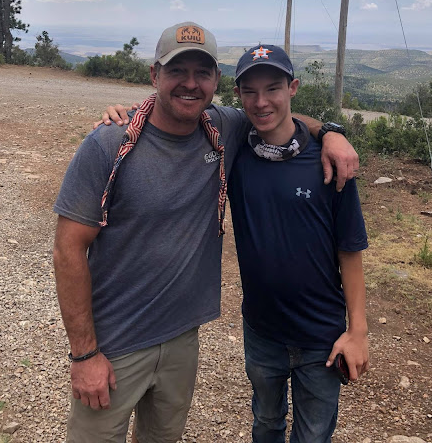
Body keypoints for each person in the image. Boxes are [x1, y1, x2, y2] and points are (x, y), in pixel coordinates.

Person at [53, 22, 358, 443]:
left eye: (202, 72)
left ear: (216, 81)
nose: (190, 83)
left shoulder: (223, 128)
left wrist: (331, 133)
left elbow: (276, 115)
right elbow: (67, 250)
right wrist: (84, 354)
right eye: (177, 70)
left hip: (182, 338)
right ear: (154, 75)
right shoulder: (110, 143)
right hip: (115, 342)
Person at [228, 44, 369, 443]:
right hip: (262, 330)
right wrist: (128, 116)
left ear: (293, 88)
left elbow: (350, 251)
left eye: (273, 88)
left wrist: (358, 331)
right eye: (250, 92)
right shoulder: (234, 155)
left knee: (313, 436)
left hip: (321, 336)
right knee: (266, 423)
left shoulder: (330, 163)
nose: (261, 102)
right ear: (238, 95)